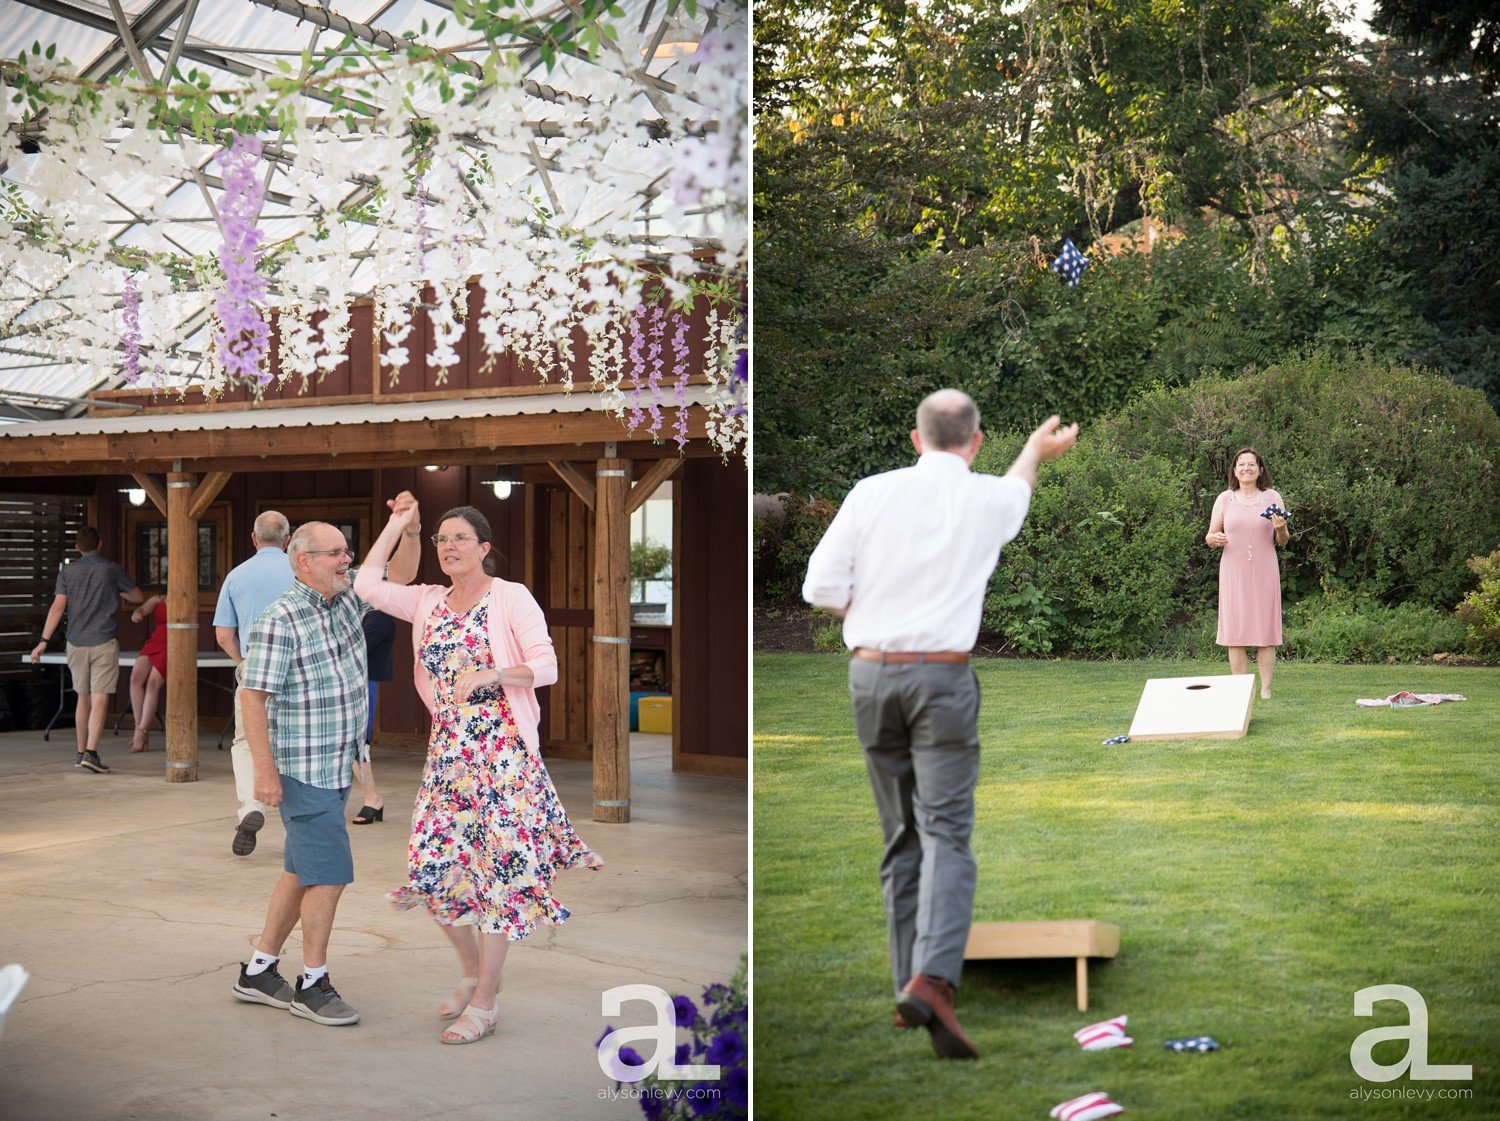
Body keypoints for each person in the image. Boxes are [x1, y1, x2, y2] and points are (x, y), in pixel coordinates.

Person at [802, 389, 1078, 1061]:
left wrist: (877, 618)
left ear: (916, 438)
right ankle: (931, 979)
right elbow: (1018, 489)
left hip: (871, 673)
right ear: (975, 441)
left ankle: (911, 985)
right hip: (943, 678)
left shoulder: (870, 493)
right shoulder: (988, 497)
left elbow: (820, 588)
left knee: (901, 836)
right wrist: (1034, 451)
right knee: (946, 830)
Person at [355, 501, 602, 1046]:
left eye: (461, 538)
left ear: (484, 548)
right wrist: (402, 526)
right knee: (432, 868)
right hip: (449, 760)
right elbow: (367, 584)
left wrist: (493, 672)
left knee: (500, 879)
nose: (449, 547)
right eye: (442, 539)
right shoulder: (427, 601)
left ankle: (486, 1003)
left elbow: (548, 665)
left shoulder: (510, 596)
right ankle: (471, 970)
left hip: (505, 758)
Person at [230, 510, 418, 1028]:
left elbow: (398, 574)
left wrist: (412, 528)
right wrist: (264, 773)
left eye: (347, 552)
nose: (347, 560)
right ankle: (312, 984)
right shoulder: (280, 618)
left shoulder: (345, 597)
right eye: (336, 553)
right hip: (303, 770)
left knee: (300, 871)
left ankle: (259, 971)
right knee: (329, 875)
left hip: (336, 764)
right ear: (304, 560)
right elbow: (254, 698)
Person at [29, 527, 145, 774]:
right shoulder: (111, 569)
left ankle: (81, 752)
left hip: (76, 643)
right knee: (100, 696)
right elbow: (137, 596)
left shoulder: (68, 573)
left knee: (83, 696)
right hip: (103, 640)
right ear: (100, 544)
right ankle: (92, 753)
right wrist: (118, 589)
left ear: (77, 548)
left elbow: (58, 608)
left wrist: (43, 641)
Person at [215, 511, 295, 856]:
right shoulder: (301, 570)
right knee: (297, 741)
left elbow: (223, 636)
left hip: (256, 666)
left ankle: (251, 806)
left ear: (254, 538)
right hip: (300, 666)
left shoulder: (236, 576)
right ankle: (300, 822)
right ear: (287, 540)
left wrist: (243, 663)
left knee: (247, 741)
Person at [1205, 447, 1289, 700]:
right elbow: (1210, 535)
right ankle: (1242, 691)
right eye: (1241, 465)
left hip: (1264, 570)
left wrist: (1282, 528)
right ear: (1234, 470)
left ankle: (1265, 689)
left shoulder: (1272, 497)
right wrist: (1214, 538)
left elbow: (1282, 541)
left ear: (1260, 470)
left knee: (1265, 632)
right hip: (1233, 571)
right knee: (1236, 632)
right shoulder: (1224, 499)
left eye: (1252, 465)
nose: (1246, 468)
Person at [350, 608, 396, 825]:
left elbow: (355, 650)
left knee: (359, 744)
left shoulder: (379, 615)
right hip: (347, 683)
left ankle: (373, 798)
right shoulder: (356, 611)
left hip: (363, 684)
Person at [127, 592, 167, 752]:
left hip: (173, 642)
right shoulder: (159, 598)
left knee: (153, 684)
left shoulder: (188, 598)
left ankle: (142, 733)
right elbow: (143, 609)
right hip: (155, 641)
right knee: (135, 679)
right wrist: (138, 614)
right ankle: (138, 726)